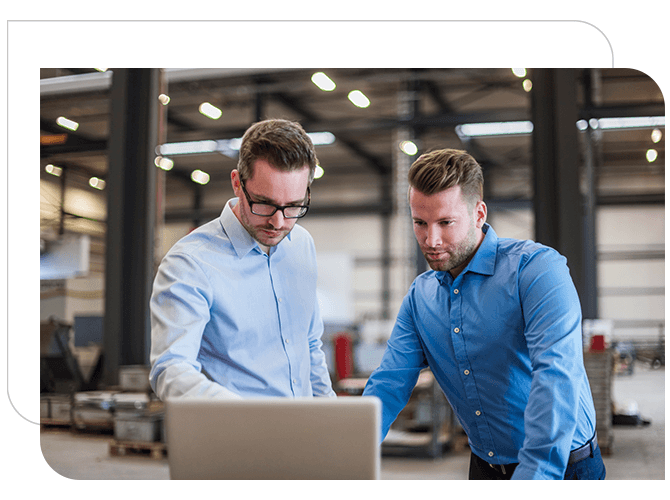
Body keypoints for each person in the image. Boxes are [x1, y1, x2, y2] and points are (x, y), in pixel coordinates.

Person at [362, 148, 605, 480]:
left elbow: (556, 377)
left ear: (479, 214)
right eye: (420, 223)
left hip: (562, 468)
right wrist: (346, 455)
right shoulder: (421, 297)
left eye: (446, 222)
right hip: (485, 468)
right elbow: (388, 384)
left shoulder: (536, 271)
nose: (431, 240)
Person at [150, 118, 336, 400]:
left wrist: (329, 418)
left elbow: (308, 345)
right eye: (264, 203)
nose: (278, 222)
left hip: (304, 434)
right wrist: (246, 418)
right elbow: (171, 369)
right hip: (235, 436)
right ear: (237, 183)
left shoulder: (301, 245)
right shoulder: (190, 263)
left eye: (294, 206)